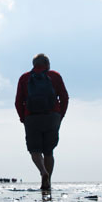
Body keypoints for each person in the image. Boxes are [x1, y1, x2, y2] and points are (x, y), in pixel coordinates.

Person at [14, 53, 69, 190]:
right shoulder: (55, 76)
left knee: (35, 150)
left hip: (31, 117)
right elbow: (64, 97)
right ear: (47, 64)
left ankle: (43, 171)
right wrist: (60, 115)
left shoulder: (25, 78)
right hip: (52, 117)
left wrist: (23, 118)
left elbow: (18, 101)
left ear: (33, 64)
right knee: (49, 151)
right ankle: (47, 182)